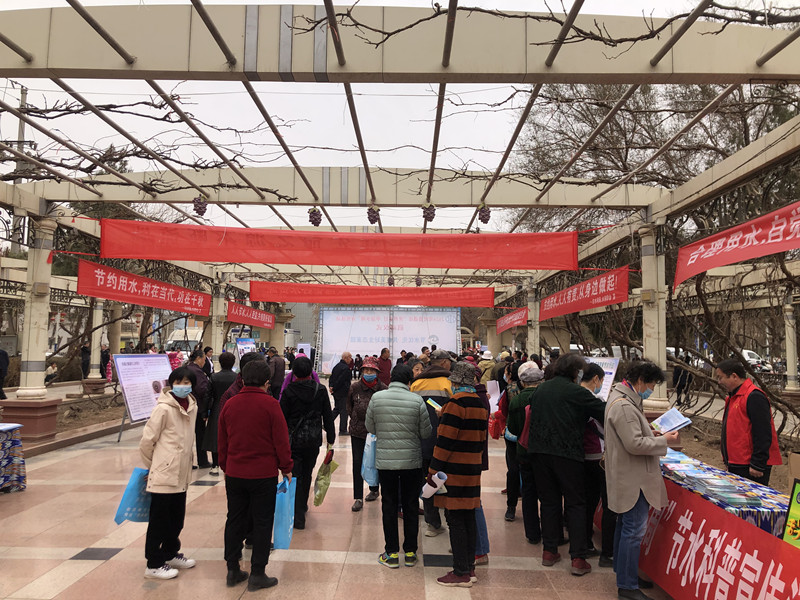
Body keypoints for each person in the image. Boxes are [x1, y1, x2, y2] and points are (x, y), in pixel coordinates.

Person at [604, 361, 679, 600]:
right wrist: (664, 440)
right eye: (652, 384)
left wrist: (651, 434)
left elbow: (632, 435)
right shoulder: (625, 406)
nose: (652, 390)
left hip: (627, 475)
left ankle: (624, 574)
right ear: (640, 381)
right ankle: (627, 586)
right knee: (633, 531)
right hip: (634, 481)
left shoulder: (622, 398)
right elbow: (634, 444)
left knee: (625, 527)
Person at [527, 353, 606, 576]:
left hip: (539, 453)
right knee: (576, 503)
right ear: (574, 372)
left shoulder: (541, 389)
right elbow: (605, 412)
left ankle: (549, 551)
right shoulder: (577, 392)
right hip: (567, 454)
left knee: (549, 502)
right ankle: (578, 558)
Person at [218, 360, 293, 591]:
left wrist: (226, 466)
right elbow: (281, 441)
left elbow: (222, 441)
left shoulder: (230, 404)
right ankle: (257, 573)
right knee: (262, 522)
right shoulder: (271, 405)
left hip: (235, 473)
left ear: (242, 379)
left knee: (234, 519)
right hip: (262, 474)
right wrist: (286, 467)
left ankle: (232, 569)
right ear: (266, 382)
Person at [366, 365, 432, 568]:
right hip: (412, 462)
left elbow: (370, 427)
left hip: (386, 462)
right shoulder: (417, 400)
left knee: (389, 504)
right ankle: (410, 552)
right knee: (411, 504)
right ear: (409, 381)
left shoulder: (377, 398)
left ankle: (391, 553)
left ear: (391, 378)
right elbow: (426, 432)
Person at [430, 361, 489, 588]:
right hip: (472, 469)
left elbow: (445, 442)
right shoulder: (478, 403)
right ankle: (470, 569)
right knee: (468, 518)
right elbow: (479, 439)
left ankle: (460, 572)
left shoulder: (455, 404)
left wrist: (433, 471)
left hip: (454, 470)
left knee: (455, 519)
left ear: (456, 382)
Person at [138, 365, 199, 580]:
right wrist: (154, 466)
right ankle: (153, 564)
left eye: (186, 382)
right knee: (159, 521)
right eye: (178, 382)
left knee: (176, 519)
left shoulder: (192, 406)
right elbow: (147, 441)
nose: (182, 386)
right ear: (171, 384)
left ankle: (170, 553)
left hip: (181, 473)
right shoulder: (163, 408)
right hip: (165, 473)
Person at [280, 356, 336, 530]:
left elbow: (282, 419)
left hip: (294, 441)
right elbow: (327, 415)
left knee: (295, 475)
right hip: (313, 440)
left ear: (294, 373)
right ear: (311, 371)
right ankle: (302, 506)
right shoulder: (320, 390)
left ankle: (296, 513)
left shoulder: (289, 391)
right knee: (307, 473)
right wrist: (331, 438)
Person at [715, 358, 782, 485]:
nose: (719, 382)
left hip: (749, 465)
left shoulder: (754, 396)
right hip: (736, 462)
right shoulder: (734, 397)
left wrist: (757, 463)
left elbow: (763, 432)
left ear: (734, 376)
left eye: (721, 377)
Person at [410, 349, 454, 536]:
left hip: (422, 442)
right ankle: (453, 524)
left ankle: (432, 523)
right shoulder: (449, 383)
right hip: (446, 442)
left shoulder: (416, 383)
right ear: (444, 363)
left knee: (427, 482)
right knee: (448, 482)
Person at [579, 362, 617, 566]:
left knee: (587, 501)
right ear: (596, 379)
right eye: (601, 381)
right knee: (609, 503)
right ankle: (608, 553)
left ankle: (585, 543)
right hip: (598, 456)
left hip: (582, 456)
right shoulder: (592, 400)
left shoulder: (573, 395)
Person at [506, 361, 545, 544]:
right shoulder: (546, 398)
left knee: (528, 493)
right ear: (541, 381)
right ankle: (550, 531)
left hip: (523, 451)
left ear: (522, 383)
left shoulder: (516, 400)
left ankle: (532, 533)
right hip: (544, 452)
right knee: (547, 493)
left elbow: (513, 429)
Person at [347, 355, 387, 511]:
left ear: (377, 372)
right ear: (362, 371)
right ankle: (358, 497)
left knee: (377, 462)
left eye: (372, 370)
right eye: (366, 370)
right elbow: (349, 407)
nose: (369, 372)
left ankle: (374, 489)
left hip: (377, 433)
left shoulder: (383, 389)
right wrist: (356, 419)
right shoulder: (355, 387)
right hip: (358, 431)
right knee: (357, 462)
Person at [203, 351, 237, 476]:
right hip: (234, 408)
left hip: (217, 407)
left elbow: (208, 395)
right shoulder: (237, 378)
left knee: (215, 435)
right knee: (232, 435)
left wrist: (205, 412)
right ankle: (230, 463)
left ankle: (215, 465)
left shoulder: (214, 377)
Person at [186, 349, 212, 469]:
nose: (204, 362)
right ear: (198, 358)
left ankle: (187, 461)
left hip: (186, 406)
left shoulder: (186, 368)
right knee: (200, 434)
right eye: (204, 360)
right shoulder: (197, 371)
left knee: (187, 435)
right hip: (197, 406)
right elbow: (203, 389)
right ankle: (203, 460)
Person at [329, 351, 353, 435]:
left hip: (336, 392)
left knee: (337, 409)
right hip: (342, 393)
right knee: (344, 411)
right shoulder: (345, 368)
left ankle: (326, 423)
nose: (351, 359)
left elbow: (331, 378)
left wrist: (331, 387)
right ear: (345, 358)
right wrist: (335, 388)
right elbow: (341, 381)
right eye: (350, 357)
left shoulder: (337, 366)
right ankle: (342, 430)